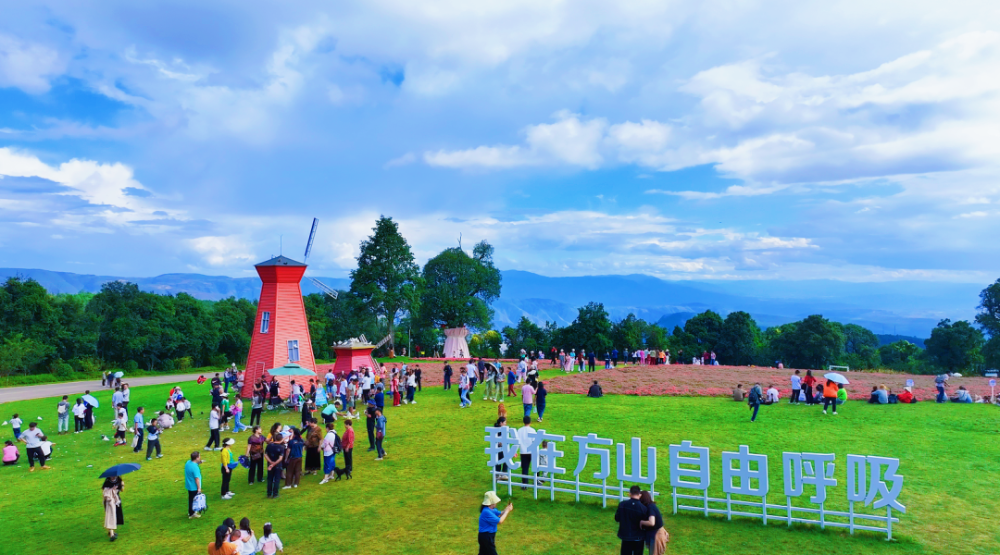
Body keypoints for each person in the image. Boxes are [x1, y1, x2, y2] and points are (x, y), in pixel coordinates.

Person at [615, 485, 651, 555]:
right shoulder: (644, 508)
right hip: (639, 537)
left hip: (626, 536)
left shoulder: (622, 505)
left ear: (629, 494)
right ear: (639, 495)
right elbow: (645, 525)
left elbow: (617, 518)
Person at [478, 491, 513, 555]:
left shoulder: (491, 510)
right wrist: (507, 511)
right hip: (486, 536)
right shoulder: (486, 512)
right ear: (492, 503)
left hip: (487, 536)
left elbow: (501, 513)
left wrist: (507, 509)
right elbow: (500, 521)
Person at [639, 490, 668, 555]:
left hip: (656, 534)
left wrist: (641, 522)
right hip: (654, 533)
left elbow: (652, 522)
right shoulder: (650, 506)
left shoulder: (650, 507)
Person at [264, 433, 286, 499]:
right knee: (277, 480)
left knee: (270, 479)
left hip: (269, 465)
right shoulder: (281, 447)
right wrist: (274, 464)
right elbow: (280, 458)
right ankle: (275, 494)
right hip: (277, 465)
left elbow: (265, 455)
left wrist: (270, 462)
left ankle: (269, 494)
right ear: (281, 439)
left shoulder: (269, 445)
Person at [102, 475, 123, 542]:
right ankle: (112, 534)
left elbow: (122, 490)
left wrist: (122, 485)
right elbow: (105, 493)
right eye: (111, 476)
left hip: (116, 501)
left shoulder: (119, 480)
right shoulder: (107, 483)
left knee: (115, 516)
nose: (113, 477)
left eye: (114, 476)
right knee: (110, 516)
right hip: (110, 503)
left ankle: (111, 532)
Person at [516, 416, 535, 489]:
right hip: (532, 452)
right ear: (530, 422)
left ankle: (524, 484)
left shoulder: (519, 430)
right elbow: (535, 441)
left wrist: (515, 451)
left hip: (523, 452)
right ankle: (536, 481)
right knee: (535, 467)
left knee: (524, 468)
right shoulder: (532, 430)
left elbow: (517, 442)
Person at [185, 451, 204, 518]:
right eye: (199, 456)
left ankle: (191, 512)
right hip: (194, 487)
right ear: (196, 458)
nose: (200, 457)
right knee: (194, 500)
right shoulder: (195, 468)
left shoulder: (188, 463)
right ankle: (192, 513)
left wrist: (199, 462)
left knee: (191, 499)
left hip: (189, 485)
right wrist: (199, 488)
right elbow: (197, 479)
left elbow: (193, 465)